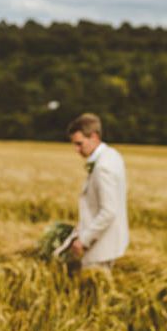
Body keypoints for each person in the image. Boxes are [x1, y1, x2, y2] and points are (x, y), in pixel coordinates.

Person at [66, 112, 129, 270]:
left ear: (94, 137)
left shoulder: (102, 168)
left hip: (101, 248)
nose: (76, 149)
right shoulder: (112, 155)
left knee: (93, 292)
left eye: (79, 144)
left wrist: (83, 240)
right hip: (110, 243)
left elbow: (108, 211)